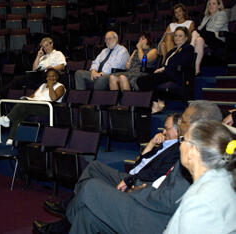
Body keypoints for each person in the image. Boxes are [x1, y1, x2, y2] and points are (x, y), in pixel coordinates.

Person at [32, 100, 223, 234]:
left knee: (90, 189)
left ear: (198, 125)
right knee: (87, 215)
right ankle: (66, 222)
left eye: (183, 120)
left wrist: (137, 192)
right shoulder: (197, 148)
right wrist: (146, 188)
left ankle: (64, 219)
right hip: (152, 203)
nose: (180, 123)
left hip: (155, 222)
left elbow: (169, 201)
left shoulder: (199, 156)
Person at [164, 120, 236, 233]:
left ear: (193, 151)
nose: (180, 145)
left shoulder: (200, 202)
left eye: (183, 140)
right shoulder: (225, 178)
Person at [0, 68, 66, 145]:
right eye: (49, 76)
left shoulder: (60, 86)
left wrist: (50, 86)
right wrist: (26, 99)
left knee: (24, 106)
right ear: (46, 78)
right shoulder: (43, 85)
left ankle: (7, 119)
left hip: (47, 107)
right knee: (21, 112)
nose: (51, 78)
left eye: (53, 76)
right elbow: (33, 96)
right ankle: (11, 138)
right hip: (34, 105)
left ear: (57, 77)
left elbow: (53, 99)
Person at [136, 26, 195, 114]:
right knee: (141, 80)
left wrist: (164, 68)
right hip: (167, 74)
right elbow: (167, 64)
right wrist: (163, 68)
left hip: (176, 75)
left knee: (144, 80)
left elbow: (182, 63)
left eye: (180, 36)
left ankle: (156, 104)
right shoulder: (172, 51)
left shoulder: (188, 48)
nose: (177, 38)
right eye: (175, 35)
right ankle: (156, 103)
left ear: (186, 38)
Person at [0, 37, 67, 93]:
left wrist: (52, 68)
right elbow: (34, 69)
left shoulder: (58, 53)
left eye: (47, 45)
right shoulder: (43, 57)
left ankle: (1, 93)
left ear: (52, 44)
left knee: (20, 81)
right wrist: (38, 56)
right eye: (43, 47)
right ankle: (4, 94)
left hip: (48, 76)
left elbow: (62, 66)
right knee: (17, 79)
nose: (45, 48)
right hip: (38, 75)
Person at [191, 0, 229, 75]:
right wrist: (199, 33)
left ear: (218, 5)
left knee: (195, 32)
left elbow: (214, 29)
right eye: (209, 4)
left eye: (213, 4)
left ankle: (191, 47)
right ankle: (197, 69)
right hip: (206, 39)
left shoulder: (222, 14)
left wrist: (198, 33)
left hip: (217, 40)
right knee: (199, 40)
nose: (211, 6)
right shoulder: (206, 17)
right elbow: (200, 28)